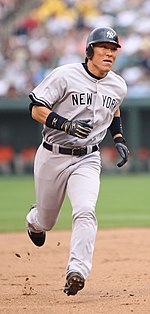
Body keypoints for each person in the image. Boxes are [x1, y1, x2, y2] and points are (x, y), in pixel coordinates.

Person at [26, 27, 129, 296]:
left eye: (113, 48)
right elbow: (36, 108)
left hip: (88, 158)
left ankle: (77, 271)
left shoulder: (117, 84)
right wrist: (66, 125)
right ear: (89, 50)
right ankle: (33, 219)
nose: (109, 52)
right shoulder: (65, 75)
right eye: (103, 47)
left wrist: (118, 137)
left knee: (85, 210)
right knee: (46, 221)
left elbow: (114, 107)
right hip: (53, 154)